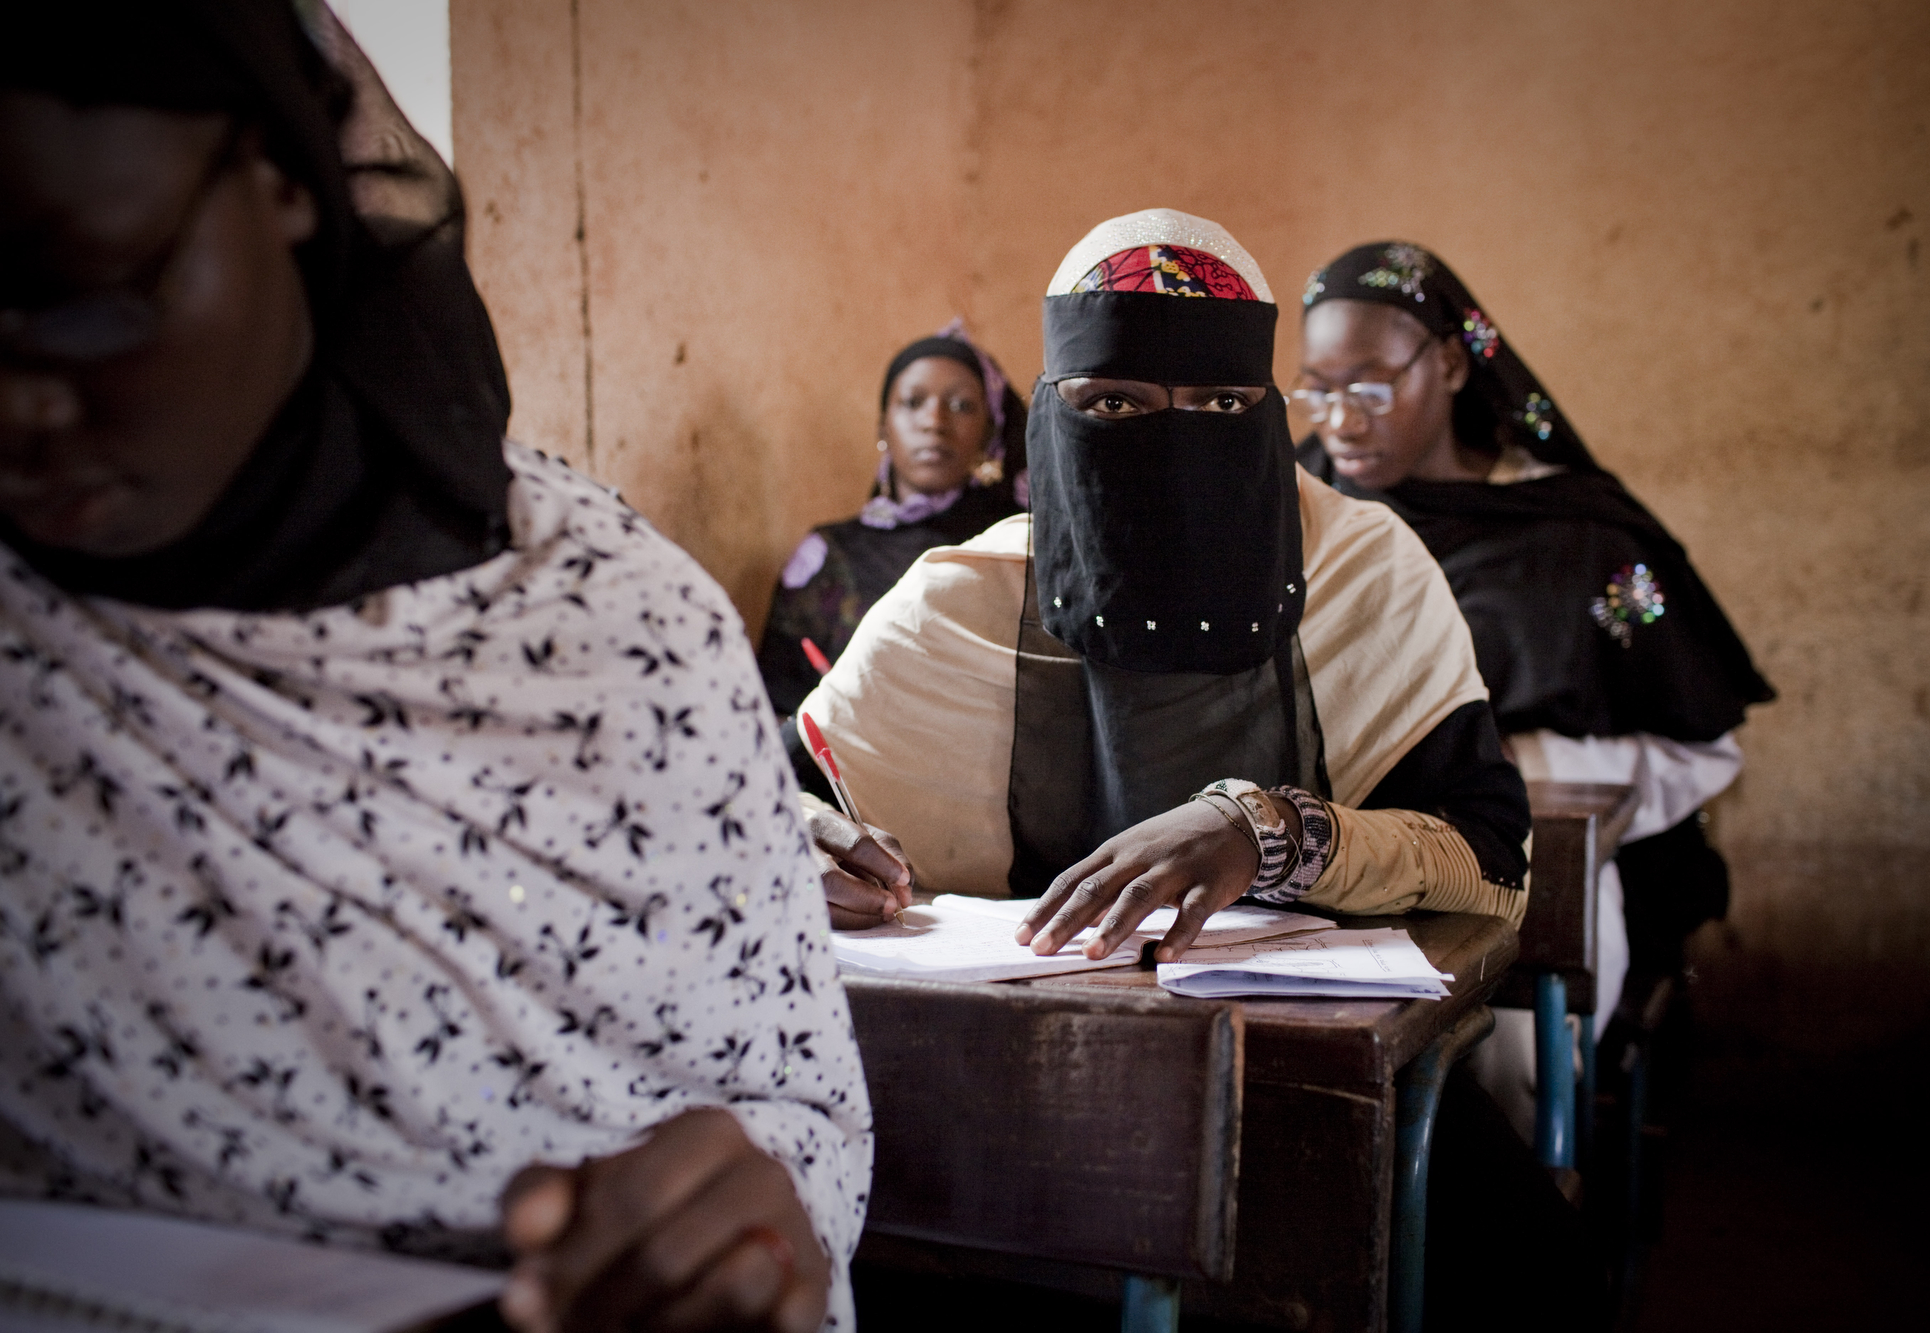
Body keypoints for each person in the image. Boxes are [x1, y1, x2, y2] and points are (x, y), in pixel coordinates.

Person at [0, 5, 869, 1332]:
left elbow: (793, 1107)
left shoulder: (612, 625)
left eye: (92, 293)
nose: (18, 403)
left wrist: (735, 1240)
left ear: (283, 180)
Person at [792, 209, 1531, 953]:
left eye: (1221, 405)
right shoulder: (966, 600)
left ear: (1266, 416)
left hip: (1323, 1052)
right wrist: (795, 836)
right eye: (1114, 404)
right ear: (1053, 421)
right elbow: (773, 797)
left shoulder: (1364, 571)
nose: (1177, 453)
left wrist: (1271, 831)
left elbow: (1493, 861)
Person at [1292, 241, 1775, 1139]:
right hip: (1328, 861)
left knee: (1498, 1056)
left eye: (1366, 387)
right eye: (1315, 390)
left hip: (1521, 881)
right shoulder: (1300, 515)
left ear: (1446, 362)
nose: (1339, 422)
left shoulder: (1578, 535)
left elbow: (1701, 744)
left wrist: (1545, 772)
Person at [755, 327, 1026, 718]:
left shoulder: (1015, 546)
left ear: (989, 432)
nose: (935, 421)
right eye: (913, 402)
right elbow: (777, 702)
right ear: (883, 426)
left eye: (962, 406)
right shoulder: (829, 555)